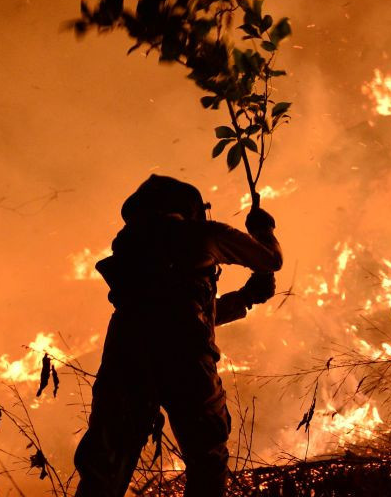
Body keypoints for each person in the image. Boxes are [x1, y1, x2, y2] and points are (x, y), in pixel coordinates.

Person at [74, 175, 282, 496]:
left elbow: (177, 309)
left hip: (125, 361)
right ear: (188, 206)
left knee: (106, 465)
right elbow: (270, 260)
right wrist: (263, 229)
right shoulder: (200, 235)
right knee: (206, 459)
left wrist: (243, 299)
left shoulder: (128, 247)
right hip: (187, 362)